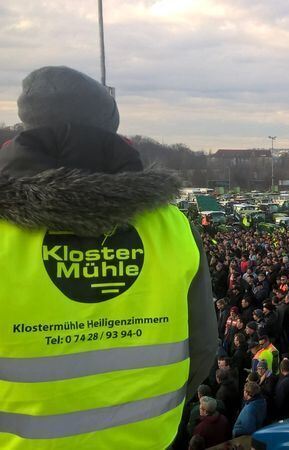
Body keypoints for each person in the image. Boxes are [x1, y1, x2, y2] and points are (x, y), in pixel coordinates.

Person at [0, 66, 217, 448]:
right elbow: (201, 349)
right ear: (112, 129)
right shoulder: (172, 226)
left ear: (26, 127)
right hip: (148, 438)